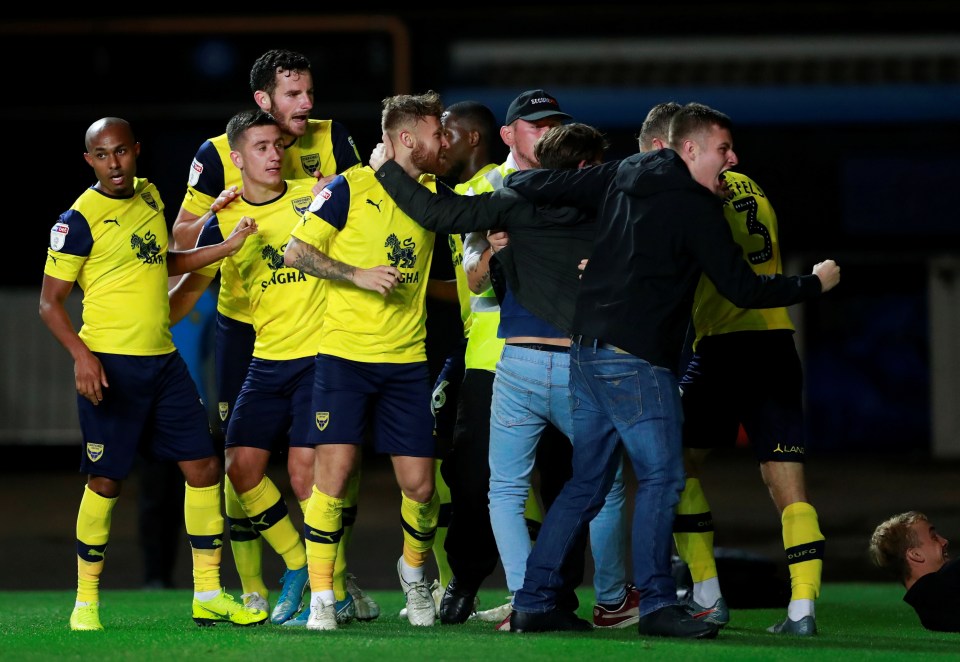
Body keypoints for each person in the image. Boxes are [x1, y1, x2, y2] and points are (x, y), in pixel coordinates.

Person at [502, 102, 840, 638]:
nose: (733, 158)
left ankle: (537, 599)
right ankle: (666, 603)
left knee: (587, 482)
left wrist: (493, 202)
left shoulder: (632, 180)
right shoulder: (701, 200)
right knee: (665, 478)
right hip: (653, 356)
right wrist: (815, 284)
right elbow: (744, 286)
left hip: (588, 353)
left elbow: (545, 192)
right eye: (724, 149)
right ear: (684, 148)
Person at [370, 121, 636, 630]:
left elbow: (438, 214)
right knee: (603, 484)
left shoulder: (512, 197)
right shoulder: (610, 205)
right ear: (586, 166)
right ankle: (610, 598)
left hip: (516, 366)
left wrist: (385, 168)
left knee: (506, 492)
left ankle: (525, 599)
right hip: (582, 366)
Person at [170, 48, 373, 620]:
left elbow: (368, 211)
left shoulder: (333, 139)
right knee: (242, 461)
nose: (306, 105)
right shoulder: (217, 154)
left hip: (317, 325)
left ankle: (327, 572)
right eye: (292, 96)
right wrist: (217, 211)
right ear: (263, 100)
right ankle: (258, 584)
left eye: (309, 93)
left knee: (328, 465)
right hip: (247, 328)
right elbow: (182, 239)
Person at [40, 117, 264, 631]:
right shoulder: (77, 220)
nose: (114, 163)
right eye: (102, 155)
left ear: (135, 151)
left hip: (163, 362)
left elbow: (160, 261)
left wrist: (224, 248)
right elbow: (49, 304)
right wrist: (82, 357)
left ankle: (207, 592)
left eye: (121, 152)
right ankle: (86, 602)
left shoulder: (150, 196)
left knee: (204, 467)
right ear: (89, 161)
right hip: (110, 365)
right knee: (106, 481)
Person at [622, 102, 826, 636]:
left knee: (676, 468)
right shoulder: (750, 186)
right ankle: (802, 610)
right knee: (788, 484)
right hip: (777, 343)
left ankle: (708, 594)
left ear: (668, 148)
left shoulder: (691, 197)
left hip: (723, 347)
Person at [282, 90, 449, 631]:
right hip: (344, 359)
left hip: (406, 362)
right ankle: (325, 596)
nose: (442, 141)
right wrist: (357, 274)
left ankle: (415, 574)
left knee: (421, 488)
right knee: (333, 478)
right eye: (434, 134)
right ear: (405, 138)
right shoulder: (347, 187)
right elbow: (296, 252)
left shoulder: (433, 195)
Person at [870, 511, 960, 632]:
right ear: (915, 554)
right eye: (934, 537)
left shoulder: (930, 618)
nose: (944, 541)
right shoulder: (947, 586)